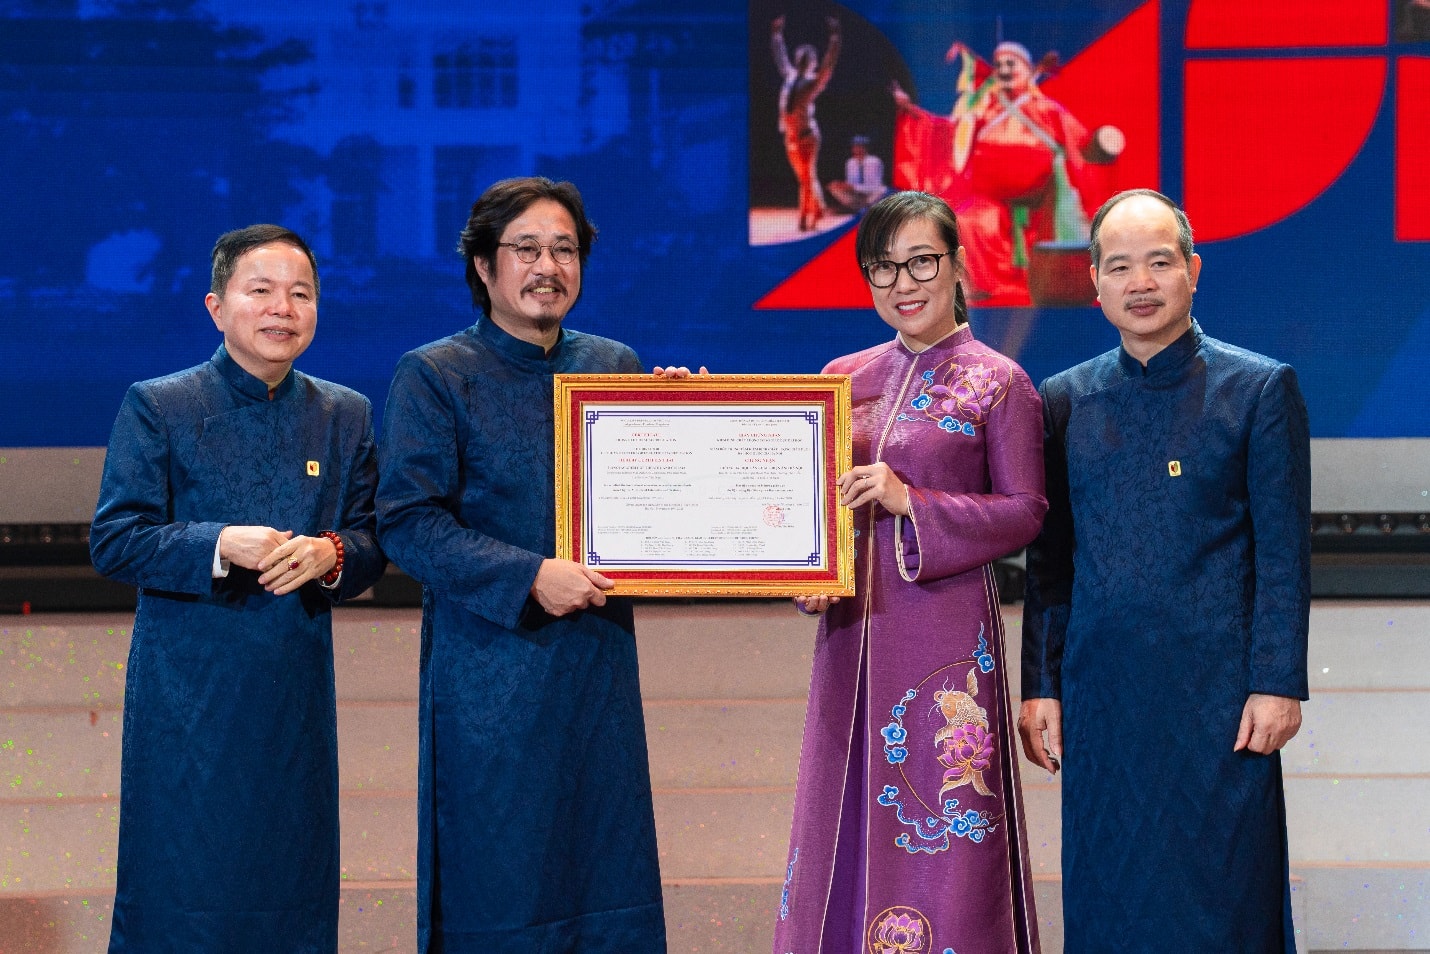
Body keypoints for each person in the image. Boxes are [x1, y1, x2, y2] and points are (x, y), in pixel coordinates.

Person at [376, 176, 690, 952]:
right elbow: (408, 523)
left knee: (604, 864)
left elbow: (655, 505)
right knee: (500, 868)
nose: (548, 266)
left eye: (564, 249)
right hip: (491, 671)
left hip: (596, 665)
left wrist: (689, 424)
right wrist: (528, 576)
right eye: (526, 249)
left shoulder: (613, 363)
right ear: (484, 266)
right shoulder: (435, 374)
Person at [1019, 188, 1310, 952]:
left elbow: (1283, 556)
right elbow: (1050, 565)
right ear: (1094, 282)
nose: (1140, 283)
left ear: (1193, 271)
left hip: (1221, 701)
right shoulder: (1064, 400)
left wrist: (1278, 682)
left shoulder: (1258, 390)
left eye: (1159, 262)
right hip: (1102, 697)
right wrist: (1041, 684)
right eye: (1119, 267)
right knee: (1108, 891)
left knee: (1225, 892)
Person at [90, 224, 386, 951]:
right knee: (182, 886)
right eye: (262, 291)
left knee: (291, 884)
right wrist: (220, 542)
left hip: (294, 700)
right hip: (187, 701)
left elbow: (376, 540)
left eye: (301, 293)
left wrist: (331, 552)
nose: (283, 308)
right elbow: (115, 539)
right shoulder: (159, 404)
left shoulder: (344, 413)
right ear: (217, 307)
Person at [772, 191, 1048, 954]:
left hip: (943, 638)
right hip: (849, 635)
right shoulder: (843, 376)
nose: (903, 283)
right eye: (883, 268)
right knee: (841, 800)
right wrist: (806, 567)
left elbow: (1026, 510)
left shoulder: (1001, 383)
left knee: (941, 812)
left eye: (922, 261)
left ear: (958, 265)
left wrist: (911, 502)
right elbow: (811, 504)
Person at [894, 41, 1122, 306]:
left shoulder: (1047, 110)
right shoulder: (985, 109)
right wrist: (914, 113)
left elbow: (1080, 143)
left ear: (1026, 69)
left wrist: (1103, 144)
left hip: (1041, 198)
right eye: (999, 64)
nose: (1004, 69)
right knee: (967, 220)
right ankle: (984, 289)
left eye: (1010, 63)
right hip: (993, 199)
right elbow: (949, 132)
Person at [772, 14, 841, 232]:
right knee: (805, 177)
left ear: (811, 63)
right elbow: (780, 57)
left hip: (807, 136)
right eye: (801, 56)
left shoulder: (812, 82)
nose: (803, 60)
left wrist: (835, 39)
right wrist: (776, 35)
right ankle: (819, 208)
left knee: (807, 178)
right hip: (790, 136)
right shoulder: (790, 76)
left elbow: (828, 66)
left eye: (807, 58)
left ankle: (804, 219)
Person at [827, 134, 890, 213]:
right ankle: (856, 208)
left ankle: (868, 208)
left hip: (873, 194)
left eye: (860, 146)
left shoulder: (874, 161)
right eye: (855, 147)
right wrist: (842, 185)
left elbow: (874, 187)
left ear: (865, 148)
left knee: (881, 191)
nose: (857, 149)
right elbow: (850, 183)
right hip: (858, 195)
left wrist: (854, 188)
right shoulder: (850, 162)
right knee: (833, 186)